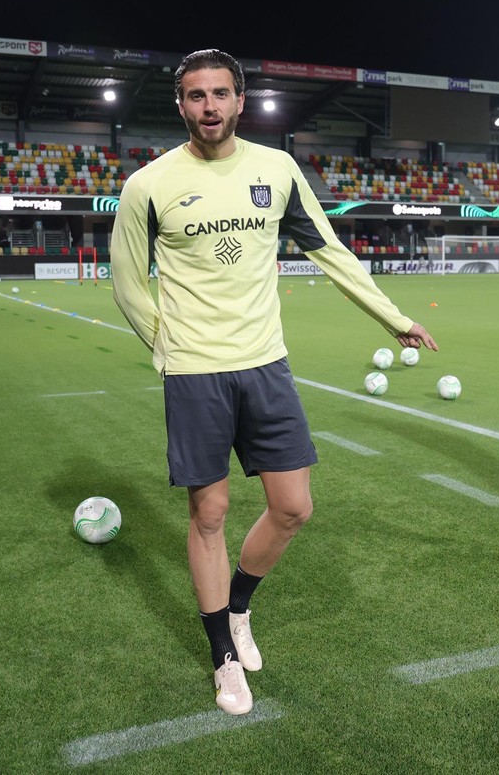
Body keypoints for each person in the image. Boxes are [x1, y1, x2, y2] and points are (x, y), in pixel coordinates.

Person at [110, 49, 438, 716]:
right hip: (196, 371)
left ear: (240, 100)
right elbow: (126, 281)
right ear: (181, 104)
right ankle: (223, 658)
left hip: (266, 363)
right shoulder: (149, 184)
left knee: (293, 507)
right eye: (196, 95)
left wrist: (393, 318)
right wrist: (167, 347)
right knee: (210, 514)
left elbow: (329, 250)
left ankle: (238, 607)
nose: (209, 106)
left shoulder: (277, 170)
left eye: (221, 93)